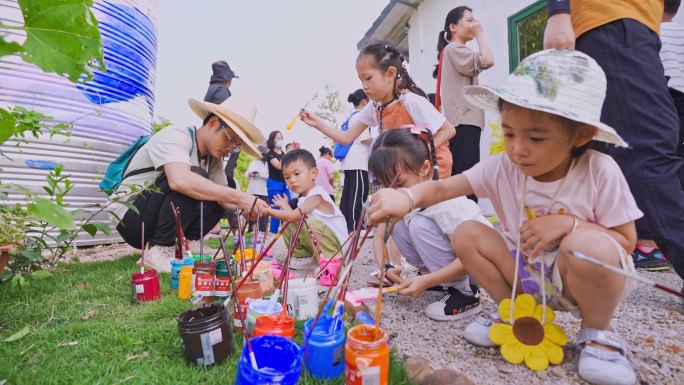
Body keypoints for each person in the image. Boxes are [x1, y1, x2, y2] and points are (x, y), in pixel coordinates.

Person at [369, 50, 642, 385]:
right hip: (525, 274)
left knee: (585, 244)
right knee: (468, 233)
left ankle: (599, 332)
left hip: (579, 279)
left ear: (581, 134)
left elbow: (626, 243)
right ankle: (513, 312)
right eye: (509, 133)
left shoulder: (599, 171)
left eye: (536, 137)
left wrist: (570, 224)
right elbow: (441, 189)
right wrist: (407, 195)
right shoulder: (503, 167)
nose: (518, 149)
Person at [544, 0, 684, 287]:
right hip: (613, 21)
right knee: (649, 151)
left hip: (626, 25)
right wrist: (558, 12)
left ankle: (571, 271)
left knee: (596, 155)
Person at [112, 95, 269, 272]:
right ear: (213, 123)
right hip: (131, 216)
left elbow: (223, 197)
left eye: (235, 146)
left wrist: (245, 206)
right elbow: (179, 181)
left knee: (224, 187)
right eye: (229, 139)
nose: (229, 149)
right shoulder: (177, 136)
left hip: (152, 213)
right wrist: (239, 196)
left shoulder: (213, 160)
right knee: (195, 176)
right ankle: (160, 249)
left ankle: (190, 242)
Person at [368, 126, 490, 321]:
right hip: (452, 265)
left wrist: (426, 280)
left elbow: (476, 256)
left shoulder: (448, 205)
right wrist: (387, 268)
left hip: (478, 268)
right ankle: (441, 282)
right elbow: (381, 235)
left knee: (417, 224)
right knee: (399, 224)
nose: (394, 193)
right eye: (387, 186)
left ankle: (465, 293)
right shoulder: (405, 203)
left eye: (399, 185)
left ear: (425, 169)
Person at [300, 40, 456, 180]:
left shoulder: (411, 101)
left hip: (432, 169)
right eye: (361, 80)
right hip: (407, 171)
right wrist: (316, 123)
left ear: (390, 74)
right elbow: (346, 137)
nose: (364, 86)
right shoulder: (375, 107)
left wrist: (417, 154)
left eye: (368, 78)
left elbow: (448, 130)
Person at [630, 0, 684, 270]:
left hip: (661, 95)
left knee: (650, 163)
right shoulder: (680, 31)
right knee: (674, 169)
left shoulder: (649, 29)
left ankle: (648, 246)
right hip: (680, 99)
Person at [434, 6, 494, 202]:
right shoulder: (454, 49)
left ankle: (464, 223)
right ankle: (466, 223)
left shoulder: (454, 51)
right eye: (468, 20)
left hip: (462, 122)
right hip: (464, 121)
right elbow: (488, 60)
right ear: (453, 27)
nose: (474, 24)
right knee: (467, 181)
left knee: (463, 178)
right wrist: (481, 34)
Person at [267, 149, 349, 269]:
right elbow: (293, 219)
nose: (292, 180)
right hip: (320, 243)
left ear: (314, 173)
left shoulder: (317, 195)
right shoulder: (302, 199)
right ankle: (304, 258)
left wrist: (267, 211)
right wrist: (285, 206)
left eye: (297, 174)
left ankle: (331, 262)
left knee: (310, 222)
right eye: (287, 177)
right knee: (289, 223)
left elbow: (294, 216)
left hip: (337, 246)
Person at [339, 89, 372, 233]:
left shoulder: (351, 116)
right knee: (359, 194)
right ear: (364, 101)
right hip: (358, 162)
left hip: (350, 162)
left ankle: (345, 226)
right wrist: (378, 140)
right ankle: (355, 227)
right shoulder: (361, 117)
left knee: (348, 195)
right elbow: (365, 139)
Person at [265, 130, 290, 233]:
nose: (280, 140)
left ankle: (286, 232)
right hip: (274, 183)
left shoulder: (283, 153)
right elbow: (279, 166)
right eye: (278, 138)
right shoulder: (270, 154)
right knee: (276, 208)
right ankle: (273, 233)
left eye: (281, 138)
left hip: (284, 183)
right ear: (272, 140)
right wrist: (287, 154)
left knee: (288, 205)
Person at [245, 144, 270, 233]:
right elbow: (246, 174)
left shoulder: (267, 163)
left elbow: (268, 176)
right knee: (252, 211)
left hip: (263, 190)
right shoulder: (253, 162)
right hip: (252, 190)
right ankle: (251, 230)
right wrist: (250, 174)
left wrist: (259, 175)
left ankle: (262, 231)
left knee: (263, 212)